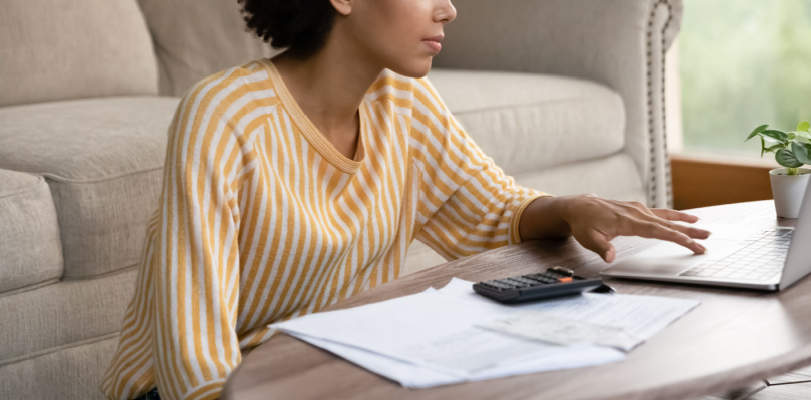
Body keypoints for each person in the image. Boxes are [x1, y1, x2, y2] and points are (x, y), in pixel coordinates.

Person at [99, 0, 710, 399]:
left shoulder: (403, 103)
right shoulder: (225, 117)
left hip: (323, 373)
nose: (449, 8)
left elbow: (494, 215)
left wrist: (573, 206)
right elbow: (193, 366)